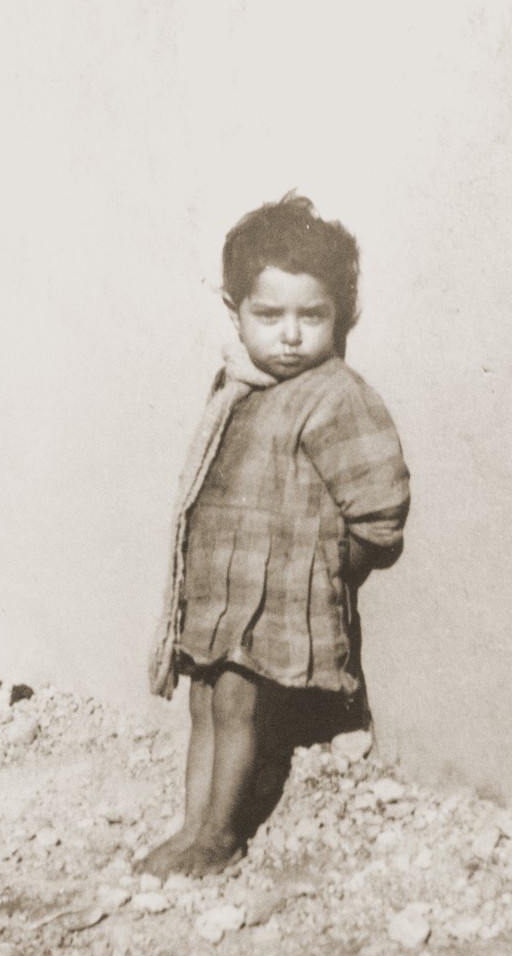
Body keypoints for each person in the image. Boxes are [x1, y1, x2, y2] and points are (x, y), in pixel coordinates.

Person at [143, 193, 410, 878]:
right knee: (204, 703)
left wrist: (319, 572)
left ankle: (218, 836)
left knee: (236, 704)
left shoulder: (335, 395)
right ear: (236, 314)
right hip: (220, 589)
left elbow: (377, 512)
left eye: (310, 316)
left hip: (274, 596)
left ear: (339, 317)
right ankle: (192, 823)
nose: (290, 335)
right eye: (269, 315)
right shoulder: (237, 386)